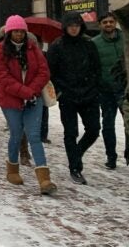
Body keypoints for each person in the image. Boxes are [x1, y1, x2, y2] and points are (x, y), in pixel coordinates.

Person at [0, 15, 56, 195]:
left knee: (34, 136)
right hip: (11, 100)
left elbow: (44, 72)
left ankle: (44, 178)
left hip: (34, 99)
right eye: (15, 31)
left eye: (21, 31)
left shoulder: (33, 49)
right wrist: (24, 92)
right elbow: (2, 77)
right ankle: (12, 169)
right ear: (9, 32)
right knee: (17, 134)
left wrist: (32, 90)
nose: (19, 34)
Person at [47, 12, 102, 185]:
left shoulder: (88, 44)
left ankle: (77, 153)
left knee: (93, 129)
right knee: (71, 132)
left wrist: (94, 88)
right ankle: (75, 167)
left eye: (77, 25)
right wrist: (60, 91)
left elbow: (96, 68)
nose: (74, 28)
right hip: (68, 96)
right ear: (65, 27)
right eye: (71, 25)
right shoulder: (57, 46)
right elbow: (51, 72)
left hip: (89, 94)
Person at [92, 12, 125, 170]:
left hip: (126, 90)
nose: (108, 24)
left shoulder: (126, 39)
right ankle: (111, 156)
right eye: (105, 22)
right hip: (106, 91)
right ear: (100, 25)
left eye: (111, 21)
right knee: (108, 125)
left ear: (116, 22)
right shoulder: (95, 43)